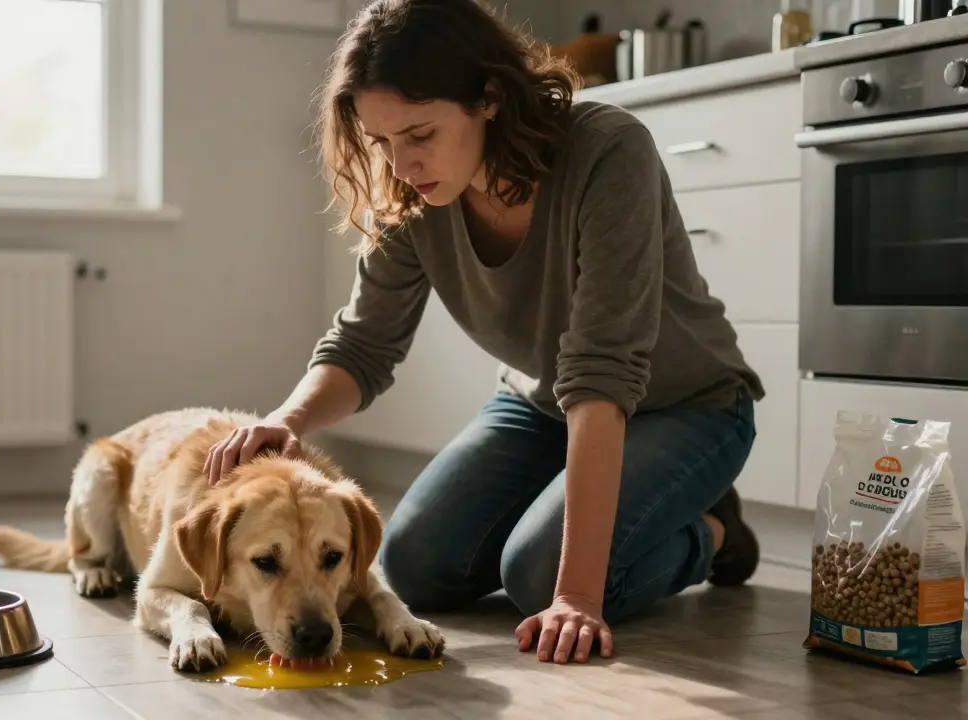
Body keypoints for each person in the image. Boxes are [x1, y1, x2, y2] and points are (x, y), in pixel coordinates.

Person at [202, 0, 763, 666]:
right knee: (415, 564)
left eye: (419, 134)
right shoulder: (411, 195)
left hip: (688, 407)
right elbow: (363, 345)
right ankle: (595, 510)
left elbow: (601, 372)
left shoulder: (608, 150)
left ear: (489, 97)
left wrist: (575, 596)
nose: (401, 164)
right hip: (542, 406)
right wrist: (287, 420)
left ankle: (714, 533)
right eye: (382, 142)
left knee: (539, 578)